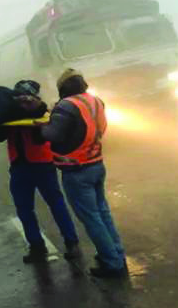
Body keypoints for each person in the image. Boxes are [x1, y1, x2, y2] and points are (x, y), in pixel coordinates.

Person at [41, 69, 128, 278]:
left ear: (62, 87)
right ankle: (117, 253)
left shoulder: (66, 105)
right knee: (103, 213)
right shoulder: (95, 100)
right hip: (96, 164)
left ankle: (111, 262)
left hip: (76, 170)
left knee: (91, 218)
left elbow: (53, 135)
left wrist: (41, 126)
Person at [0, 80, 81, 264]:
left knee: (56, 204)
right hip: (19, 165)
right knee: (24, 209)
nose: (22, 102)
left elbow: (40, 119)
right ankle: (36, 245)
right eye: (19, 98)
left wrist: (29, 106)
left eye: (25, 97)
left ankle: (71, 241)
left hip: (42, 164)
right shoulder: (9, 112)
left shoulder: (41, 110)